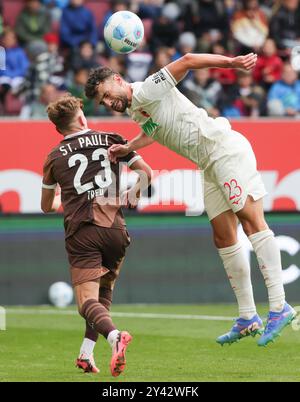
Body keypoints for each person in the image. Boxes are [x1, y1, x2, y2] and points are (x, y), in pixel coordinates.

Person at [84, 52, 296, 347]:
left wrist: (232, 63)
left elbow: (187, 59)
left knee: (251, 220)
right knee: (223, 236)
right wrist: (128, 147)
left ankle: (279, 306)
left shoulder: (147, 88)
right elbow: (155, 129)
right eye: (103, 102)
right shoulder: (136, 108)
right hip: (208, 163)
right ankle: (248, 317)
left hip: (224, 150)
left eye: (107, 94)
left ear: (118, 80)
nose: (108, 103)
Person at [41, 95, 152, 375]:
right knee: (102, 296)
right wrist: (133, 194)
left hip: (83, 232)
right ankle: (86, 354)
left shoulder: (54, 157)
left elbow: (46, 206)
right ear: (81, 118)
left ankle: (115, 337)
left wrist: (59, 200)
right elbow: (146, 173)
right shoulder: (111, 138)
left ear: (58, 128)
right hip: (116, 229)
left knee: (85, 303)